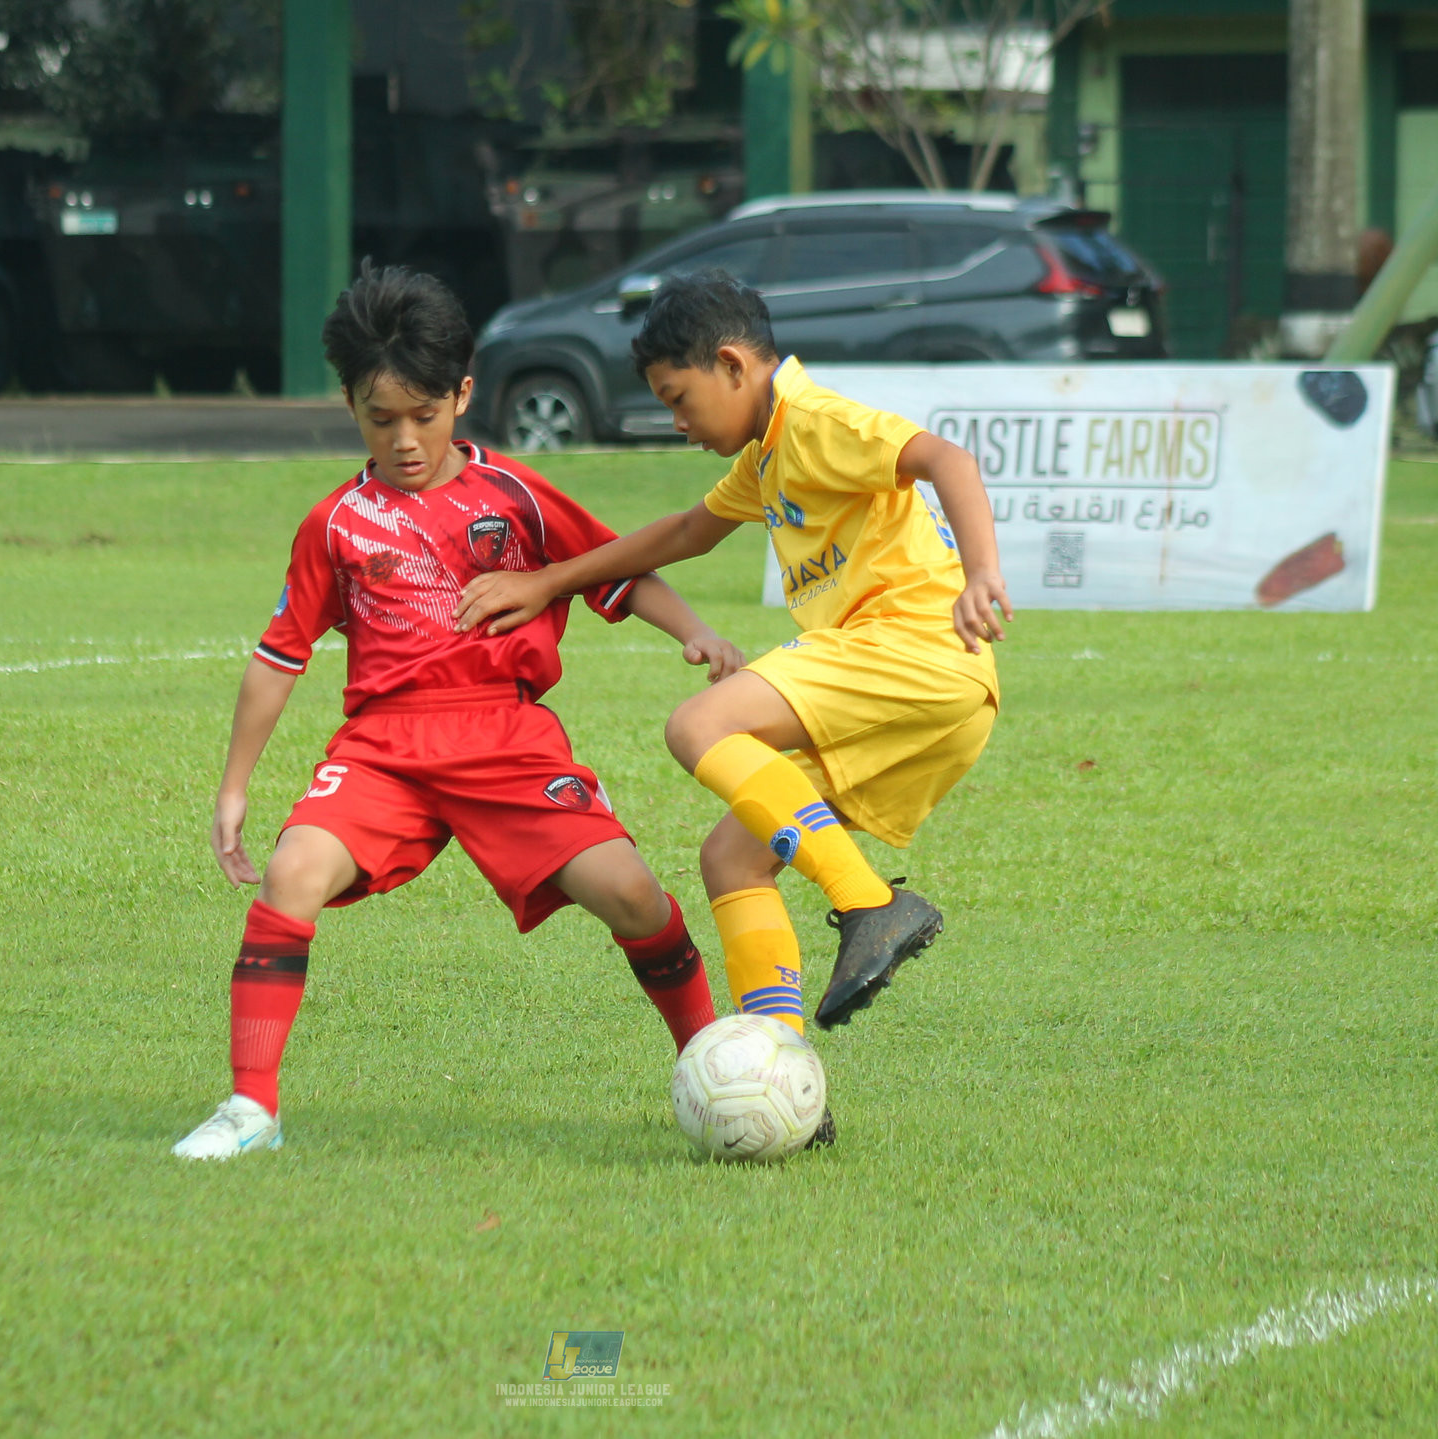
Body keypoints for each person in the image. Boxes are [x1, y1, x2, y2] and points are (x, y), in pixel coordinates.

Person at [174, 263, 743, 1162]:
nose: (404, 438)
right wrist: (235, 786)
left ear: (463, 393)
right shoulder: (336, 523)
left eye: (424, 414)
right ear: (350, 406)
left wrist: (699, 632)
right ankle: (251, 1107)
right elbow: (280, 654)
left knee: (633, 895)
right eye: (380, 417)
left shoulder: (512, 494)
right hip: (384, 748)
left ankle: (719, 1067)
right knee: (291, 876)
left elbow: (615, 570)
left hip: (505, 734)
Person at [454, 271, 1009, 1039]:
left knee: (698, 726)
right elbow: (685, 532)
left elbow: (950, 461)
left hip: (911, 646)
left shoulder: (815, 419)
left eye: (678, 397)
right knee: (731, 860)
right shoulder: (768, 454)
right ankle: (777, 1068)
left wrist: (982, 573)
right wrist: (548, 578)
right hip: (927, 691)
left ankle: (870, 903)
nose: (676, 420)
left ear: (732, 364)